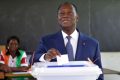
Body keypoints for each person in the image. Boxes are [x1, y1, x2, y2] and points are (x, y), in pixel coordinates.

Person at [30, 2, 103, 80]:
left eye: (70, 13)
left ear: (77, 18)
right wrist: (45, 57)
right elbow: (32, 61)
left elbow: (99, 74)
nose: (65, 16)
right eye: (61, 14)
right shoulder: (46, 41)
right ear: (58, 19)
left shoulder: (93, 44)